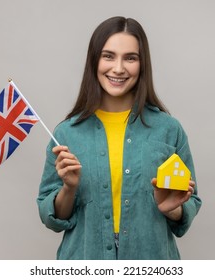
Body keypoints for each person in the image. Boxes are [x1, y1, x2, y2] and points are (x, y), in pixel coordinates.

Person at [37, 16, 202, 260]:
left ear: (142, 64)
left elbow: (191, 201)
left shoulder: (168, 129)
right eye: (108, 56)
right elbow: (52, 218)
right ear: (94, 61)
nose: (118, 68)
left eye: (130, 58)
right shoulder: (66, 134)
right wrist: (69, 189)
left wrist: (174, 209)